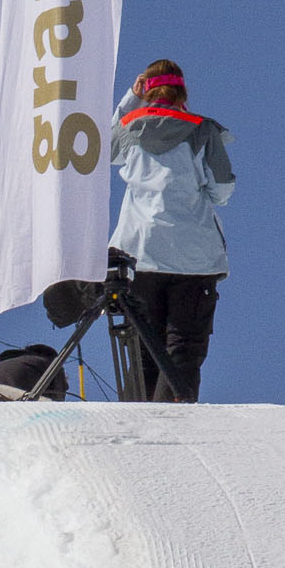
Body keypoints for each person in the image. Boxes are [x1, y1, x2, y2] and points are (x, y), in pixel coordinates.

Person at [109, 58, 236, 402]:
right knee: (184, 347)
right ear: (183, 92)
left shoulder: (129, 127)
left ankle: (140, 423)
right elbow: (222, 188)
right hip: (194, 258)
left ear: (146, 91)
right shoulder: (201, 129)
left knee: (144, 347)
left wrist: (130, 100)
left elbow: (101, 152)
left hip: (140, 253)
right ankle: (173, 418)